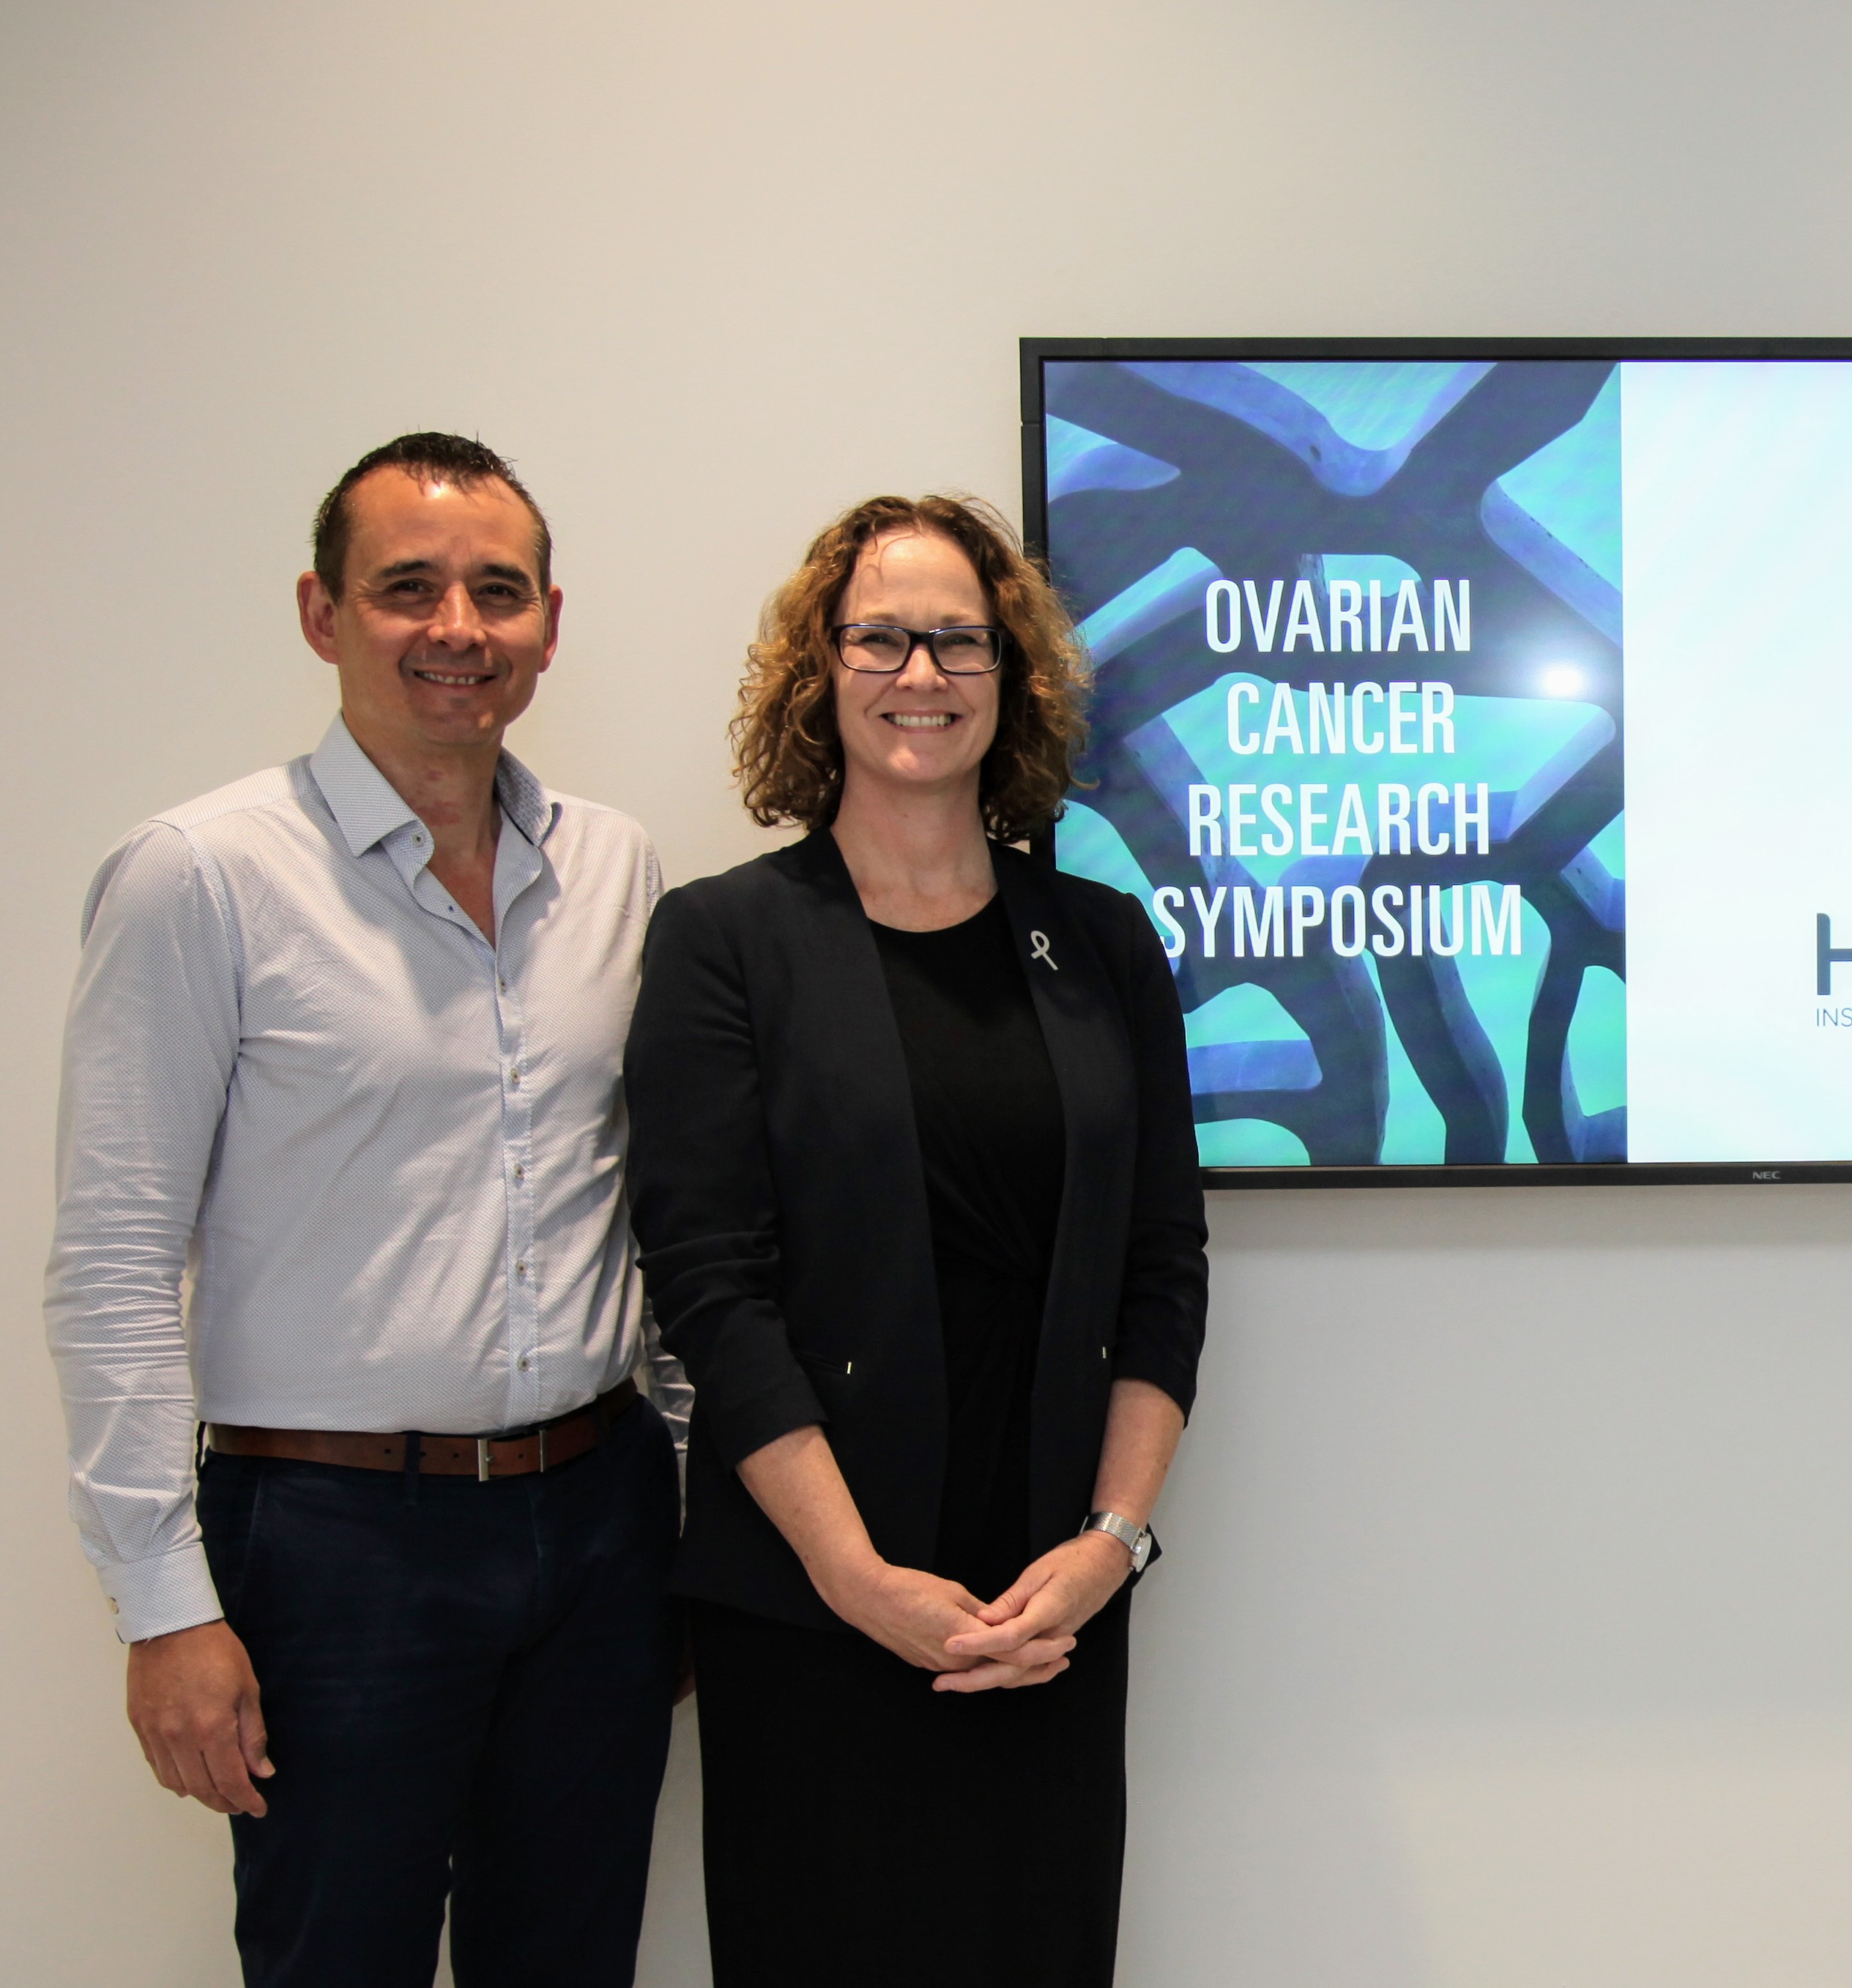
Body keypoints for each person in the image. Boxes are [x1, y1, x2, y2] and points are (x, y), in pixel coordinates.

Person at [44, 433, 682, 1984]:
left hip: (597, 1522)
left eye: (496, 590)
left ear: (548, 622)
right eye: (406, 587)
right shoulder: (199, 874)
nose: (455, 627)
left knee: (574, 1958)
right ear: (321, 614)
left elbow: (654, 1205)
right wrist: (161, 1608)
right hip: (333, 1545)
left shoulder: (616, 867)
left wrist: (672, 1480)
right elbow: (113, 1264)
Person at [627, 491, 1208, 1985]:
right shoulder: (724, 942)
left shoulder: (1100, 944)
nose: (921, 672)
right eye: (880, 635)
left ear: (1010, 679)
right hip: (815, 1600)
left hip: (1042, 1606)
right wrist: (856, 1575)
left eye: (958, 639)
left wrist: (1109, 1547)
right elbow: (711, 1287)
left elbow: (1162, 1266)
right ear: (820, 668)